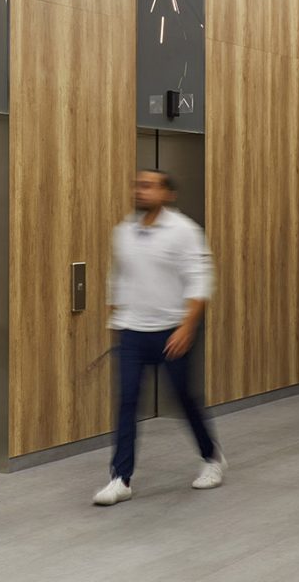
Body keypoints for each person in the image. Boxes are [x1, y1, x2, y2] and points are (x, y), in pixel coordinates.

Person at [92, 168, 225, 506]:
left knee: (183, 399)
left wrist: (186, 327)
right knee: (126, 403)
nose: (141, 191)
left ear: (168, 194)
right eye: (138, 185)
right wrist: (117, 313)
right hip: (133, 332)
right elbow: (118, 275)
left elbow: (199, 280)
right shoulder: (124, 231)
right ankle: (121, 478)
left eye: (149, 186)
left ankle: (211, 458)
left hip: (172, 332)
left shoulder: (184, 231)